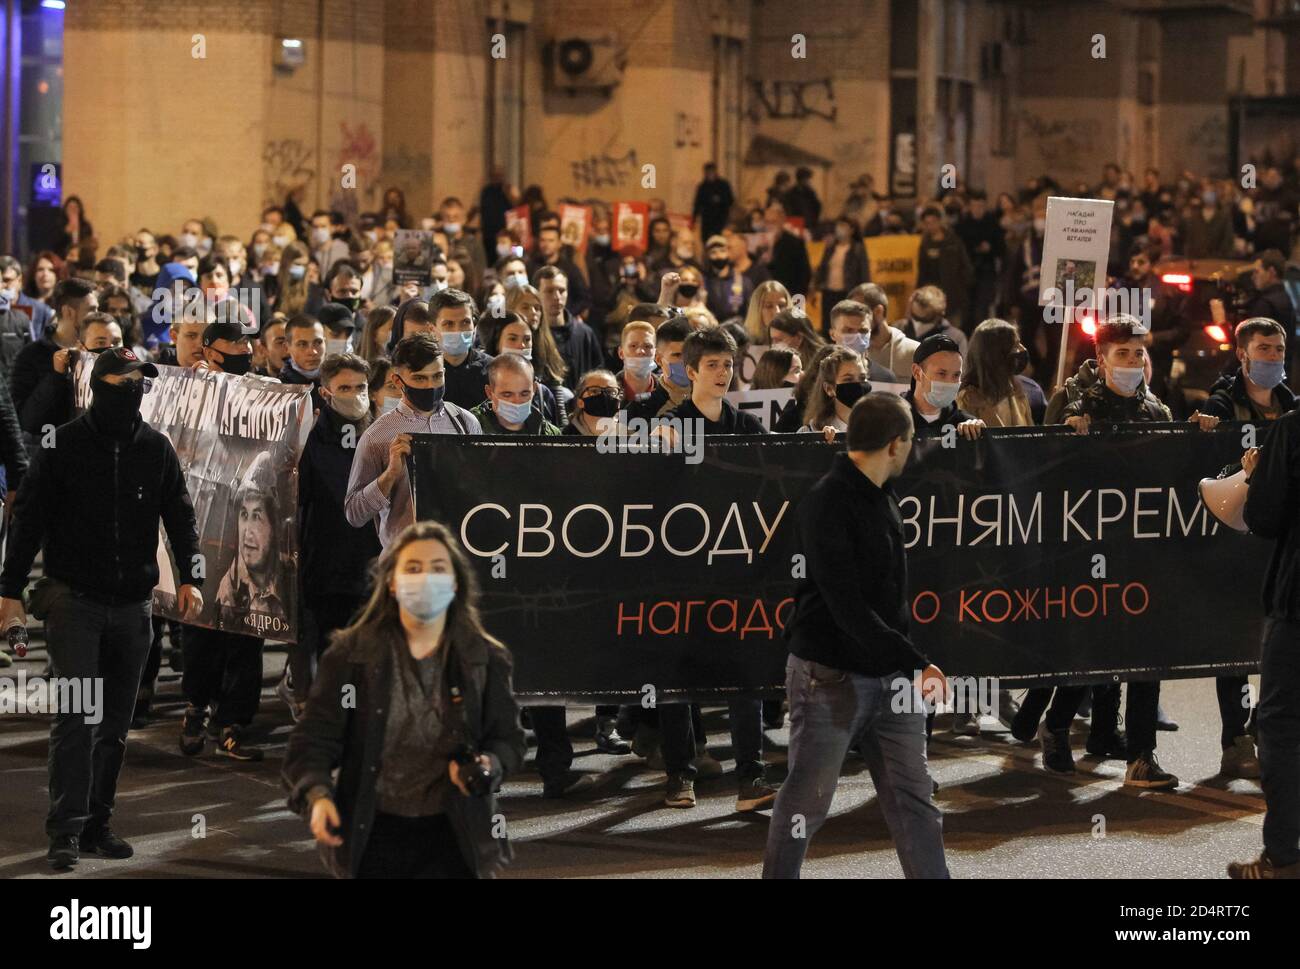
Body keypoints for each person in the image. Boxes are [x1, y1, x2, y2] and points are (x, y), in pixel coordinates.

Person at [0, 347, 203, 868]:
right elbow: (28, 523)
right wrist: (8, 593)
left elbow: (180, 517)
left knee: (113, 725)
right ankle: (63, 830)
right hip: (75, 603)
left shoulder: (155, 449)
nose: (136, 389)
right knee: (75, 719)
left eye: (142, 381)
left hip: (134, 607)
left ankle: (97, 824)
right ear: (102, 385)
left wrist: (191, 577)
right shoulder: (62, 445)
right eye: (127, 380)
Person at [763, 393, 949, 879]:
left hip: (889, 678)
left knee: (915, 800)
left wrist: (902, 666)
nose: (911, 450)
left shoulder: (881, 492)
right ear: (894, 444)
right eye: (909, 441)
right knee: (808, 799)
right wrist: (915, 661)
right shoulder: (826, 503)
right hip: (830, 677)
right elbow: (847, 607)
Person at [283, 520, 526, 878]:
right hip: (374, 834)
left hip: (456, 837)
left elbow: (509, 740)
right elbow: (312, 742)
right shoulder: (351, 656)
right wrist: (317, 797)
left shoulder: (485, 658)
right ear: (393, 583)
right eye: (413, 568)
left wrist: (488, 765)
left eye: (438, 568)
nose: (426, 578)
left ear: (455, 583)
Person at [1045, 316, 1177, 789]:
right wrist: (1067, 436)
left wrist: (1200, 435)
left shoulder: (1157, 412)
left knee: (1146, 653)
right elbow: (1044, 476)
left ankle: (1142, 756)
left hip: (1140, 552)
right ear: (1101, 360)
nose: (1133, 362)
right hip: (1089, 552)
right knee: (1092, 653)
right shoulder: (1076, 406)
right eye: (1122, 354)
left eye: (1138, 353)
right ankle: (1057, 723)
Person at [654, 327, 777, 811]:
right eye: (713, 366)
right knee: (676, 674)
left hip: (736, 572)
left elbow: (779, 475)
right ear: (690, 371)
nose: (723, 374)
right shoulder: (668, 424)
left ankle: (752, 774)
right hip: (679, 572)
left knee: (743, 674)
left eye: (728, 365)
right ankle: (679, 773)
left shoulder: (747, 427)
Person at [287, 352, 382, 719]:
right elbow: (297, 502)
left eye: (360, 387)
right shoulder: (309, 441)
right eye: (345, 388)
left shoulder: (380, 434)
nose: (355, 395)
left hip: (372, 569)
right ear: (325, 393)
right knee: (334, 657)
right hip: (329, 571)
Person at [345, 333, 482, 550]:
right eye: (420, 378)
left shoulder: (466, 423)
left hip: (459, 554)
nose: (430, 386)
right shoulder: (377, 436)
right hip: (403, 561)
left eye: (437, 377)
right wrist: (389, 475)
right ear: (398, 381)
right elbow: (354, 514)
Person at [11, 278, 98, 445]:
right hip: (48, 454)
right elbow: (26, 421)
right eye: (92, 309)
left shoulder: (99, 353)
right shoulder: (31, 355)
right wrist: (57, 376)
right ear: (69, 312)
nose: (98, 314)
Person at [956, 319, 1043, 427]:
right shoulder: (968, 400)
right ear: (996, 355)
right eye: (1015, 345)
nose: (1021, 349)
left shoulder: (1018, 391)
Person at [536, 266, 601, 390]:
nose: (557, 297)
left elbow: (598, 373)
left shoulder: (584, 333)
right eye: (549, 291)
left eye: (562, 290)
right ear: (537, 293)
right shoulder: (532, 335)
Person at [470, 353, 562, 435]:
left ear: (534, 389)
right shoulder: (469, 429)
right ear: (489, 392)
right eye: (507, 394)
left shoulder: (550, 435)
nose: (517, 401)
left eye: (524, 394)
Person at [431, 288, 492, 410]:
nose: (457, 330)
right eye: (448, 324)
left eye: (465, 322)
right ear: (432, 329)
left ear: (474, 326)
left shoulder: (493, 370)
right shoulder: (422, 371)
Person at [915, 206, 974, 332]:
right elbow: (922, 270)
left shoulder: (953, 241)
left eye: (933, 222)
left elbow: (965, 265)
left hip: (954, 295)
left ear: (939, 221)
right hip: (933, 298)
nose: (930, 226)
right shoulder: (925, 244)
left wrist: (963, 286)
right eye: (927, 223)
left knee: (954, 332)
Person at [624, 316, 694, 421]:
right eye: (677, 355)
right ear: (658, 359)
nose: (685, 361)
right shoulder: (640, 408)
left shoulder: (715, 402)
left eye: (690, 354)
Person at [814, 217, 870, 333]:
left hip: (847, 292)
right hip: (829, 292)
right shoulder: (830, 247)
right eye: (838, 226)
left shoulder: (857, 249)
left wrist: (863, 293)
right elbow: (822, 268)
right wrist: (816, 285)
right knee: (828, 324)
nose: (839, 229)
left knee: (845, 323)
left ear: (852, 230)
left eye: (843, 226)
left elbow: (864, 272)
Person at [799, 346, 867, 435]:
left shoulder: (879, 428)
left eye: (862, 378)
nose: (859, 385)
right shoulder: (810, 432)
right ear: (829, 389)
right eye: (848, 379)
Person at [760, 201, 812, 297]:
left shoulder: (795, 243)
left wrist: (797, 297)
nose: (770, 226)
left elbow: (804, 273)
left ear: (782, 220)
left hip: (788, 294)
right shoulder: (760, 243)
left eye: (773, 222)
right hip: (766, 295)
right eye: (767, 222)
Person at [897, 286, 969, 355]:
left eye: (925, 320)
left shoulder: (955, 338)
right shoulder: (898, 329)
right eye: (915, 317)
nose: (918, 324)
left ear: (939, 316)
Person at [702, 233, 754, 323]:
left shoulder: (743, 282)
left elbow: (751, 310)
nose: (718, 256)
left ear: (728, 253)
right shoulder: (703, 281)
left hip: (737, 329)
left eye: (722, 251)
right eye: (713, 252)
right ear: (708, 255)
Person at [768, 307, 826, 371]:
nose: (773, 346)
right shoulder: (777, 364)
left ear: (799, 338)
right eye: (772, 340)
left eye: (779, 340)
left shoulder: (825, 365)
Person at [692, 162, 735, 240]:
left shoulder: (724, 185)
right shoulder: (702, 187)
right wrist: (694, 220)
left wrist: (720, 200)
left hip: (721, 218)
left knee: (720, 239)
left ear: (716, 172)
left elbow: (731, 201)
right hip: (707, 220)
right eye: (708, 172)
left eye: (712, 172)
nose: (710, 174)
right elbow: (697, 204)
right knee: (706, 240)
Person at [742, 279, 790, 345]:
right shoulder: (744, 345)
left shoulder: (799, 341)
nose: (777, 311)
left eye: (782, 306)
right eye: (769, 306)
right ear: (757, 311)